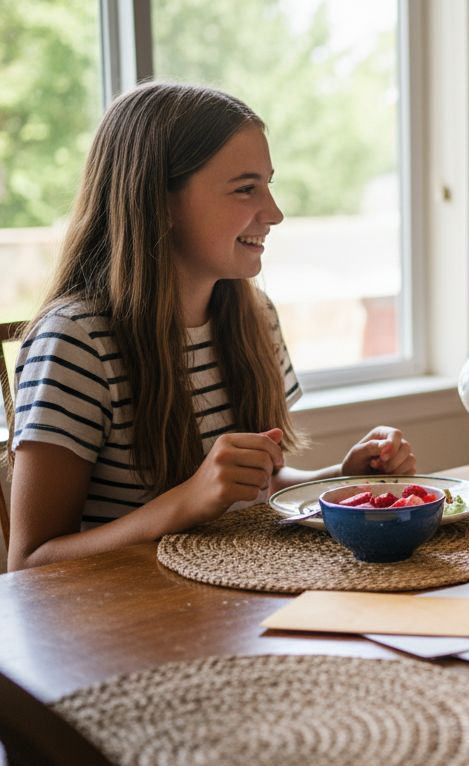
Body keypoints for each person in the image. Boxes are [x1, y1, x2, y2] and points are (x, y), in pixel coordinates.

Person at [4, 82, 417, 571]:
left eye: (269, 184)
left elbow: (248, 489)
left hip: (231, 602)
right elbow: (29, 562)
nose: (275, 212)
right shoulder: (75, 342)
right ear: (160, 203)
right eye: (246, 188)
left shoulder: (254, 318)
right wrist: (185, 502)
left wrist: (338, 481)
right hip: (122, 630)